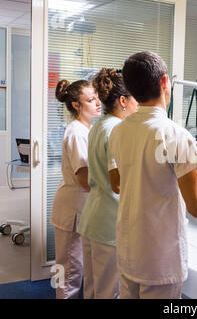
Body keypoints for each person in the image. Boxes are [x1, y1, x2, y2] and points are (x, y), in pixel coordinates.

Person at [108, 51, 197, 299]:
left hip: (129, 250)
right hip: (160, 260)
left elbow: (118, 183)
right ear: (164, 82)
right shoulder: (176, 136)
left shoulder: (119, 132)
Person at [77, 68, 138, 299]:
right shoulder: (117, 130)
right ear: (123, 100)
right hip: (109, 225)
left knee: (92, 290)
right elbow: (118, 183)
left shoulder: (99, 125)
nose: (138, 105)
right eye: (135, 99)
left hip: (94, 218)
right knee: (109, 293)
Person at [50, 79, 102, 299]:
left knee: (75, 268)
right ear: (75, 105)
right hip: (71, 210)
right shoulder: (76, 133)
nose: (98, 102)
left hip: (82, 209)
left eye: (97, 97)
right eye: (91, 100)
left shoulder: (89, 130)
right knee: (69, 272)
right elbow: (84, 178)